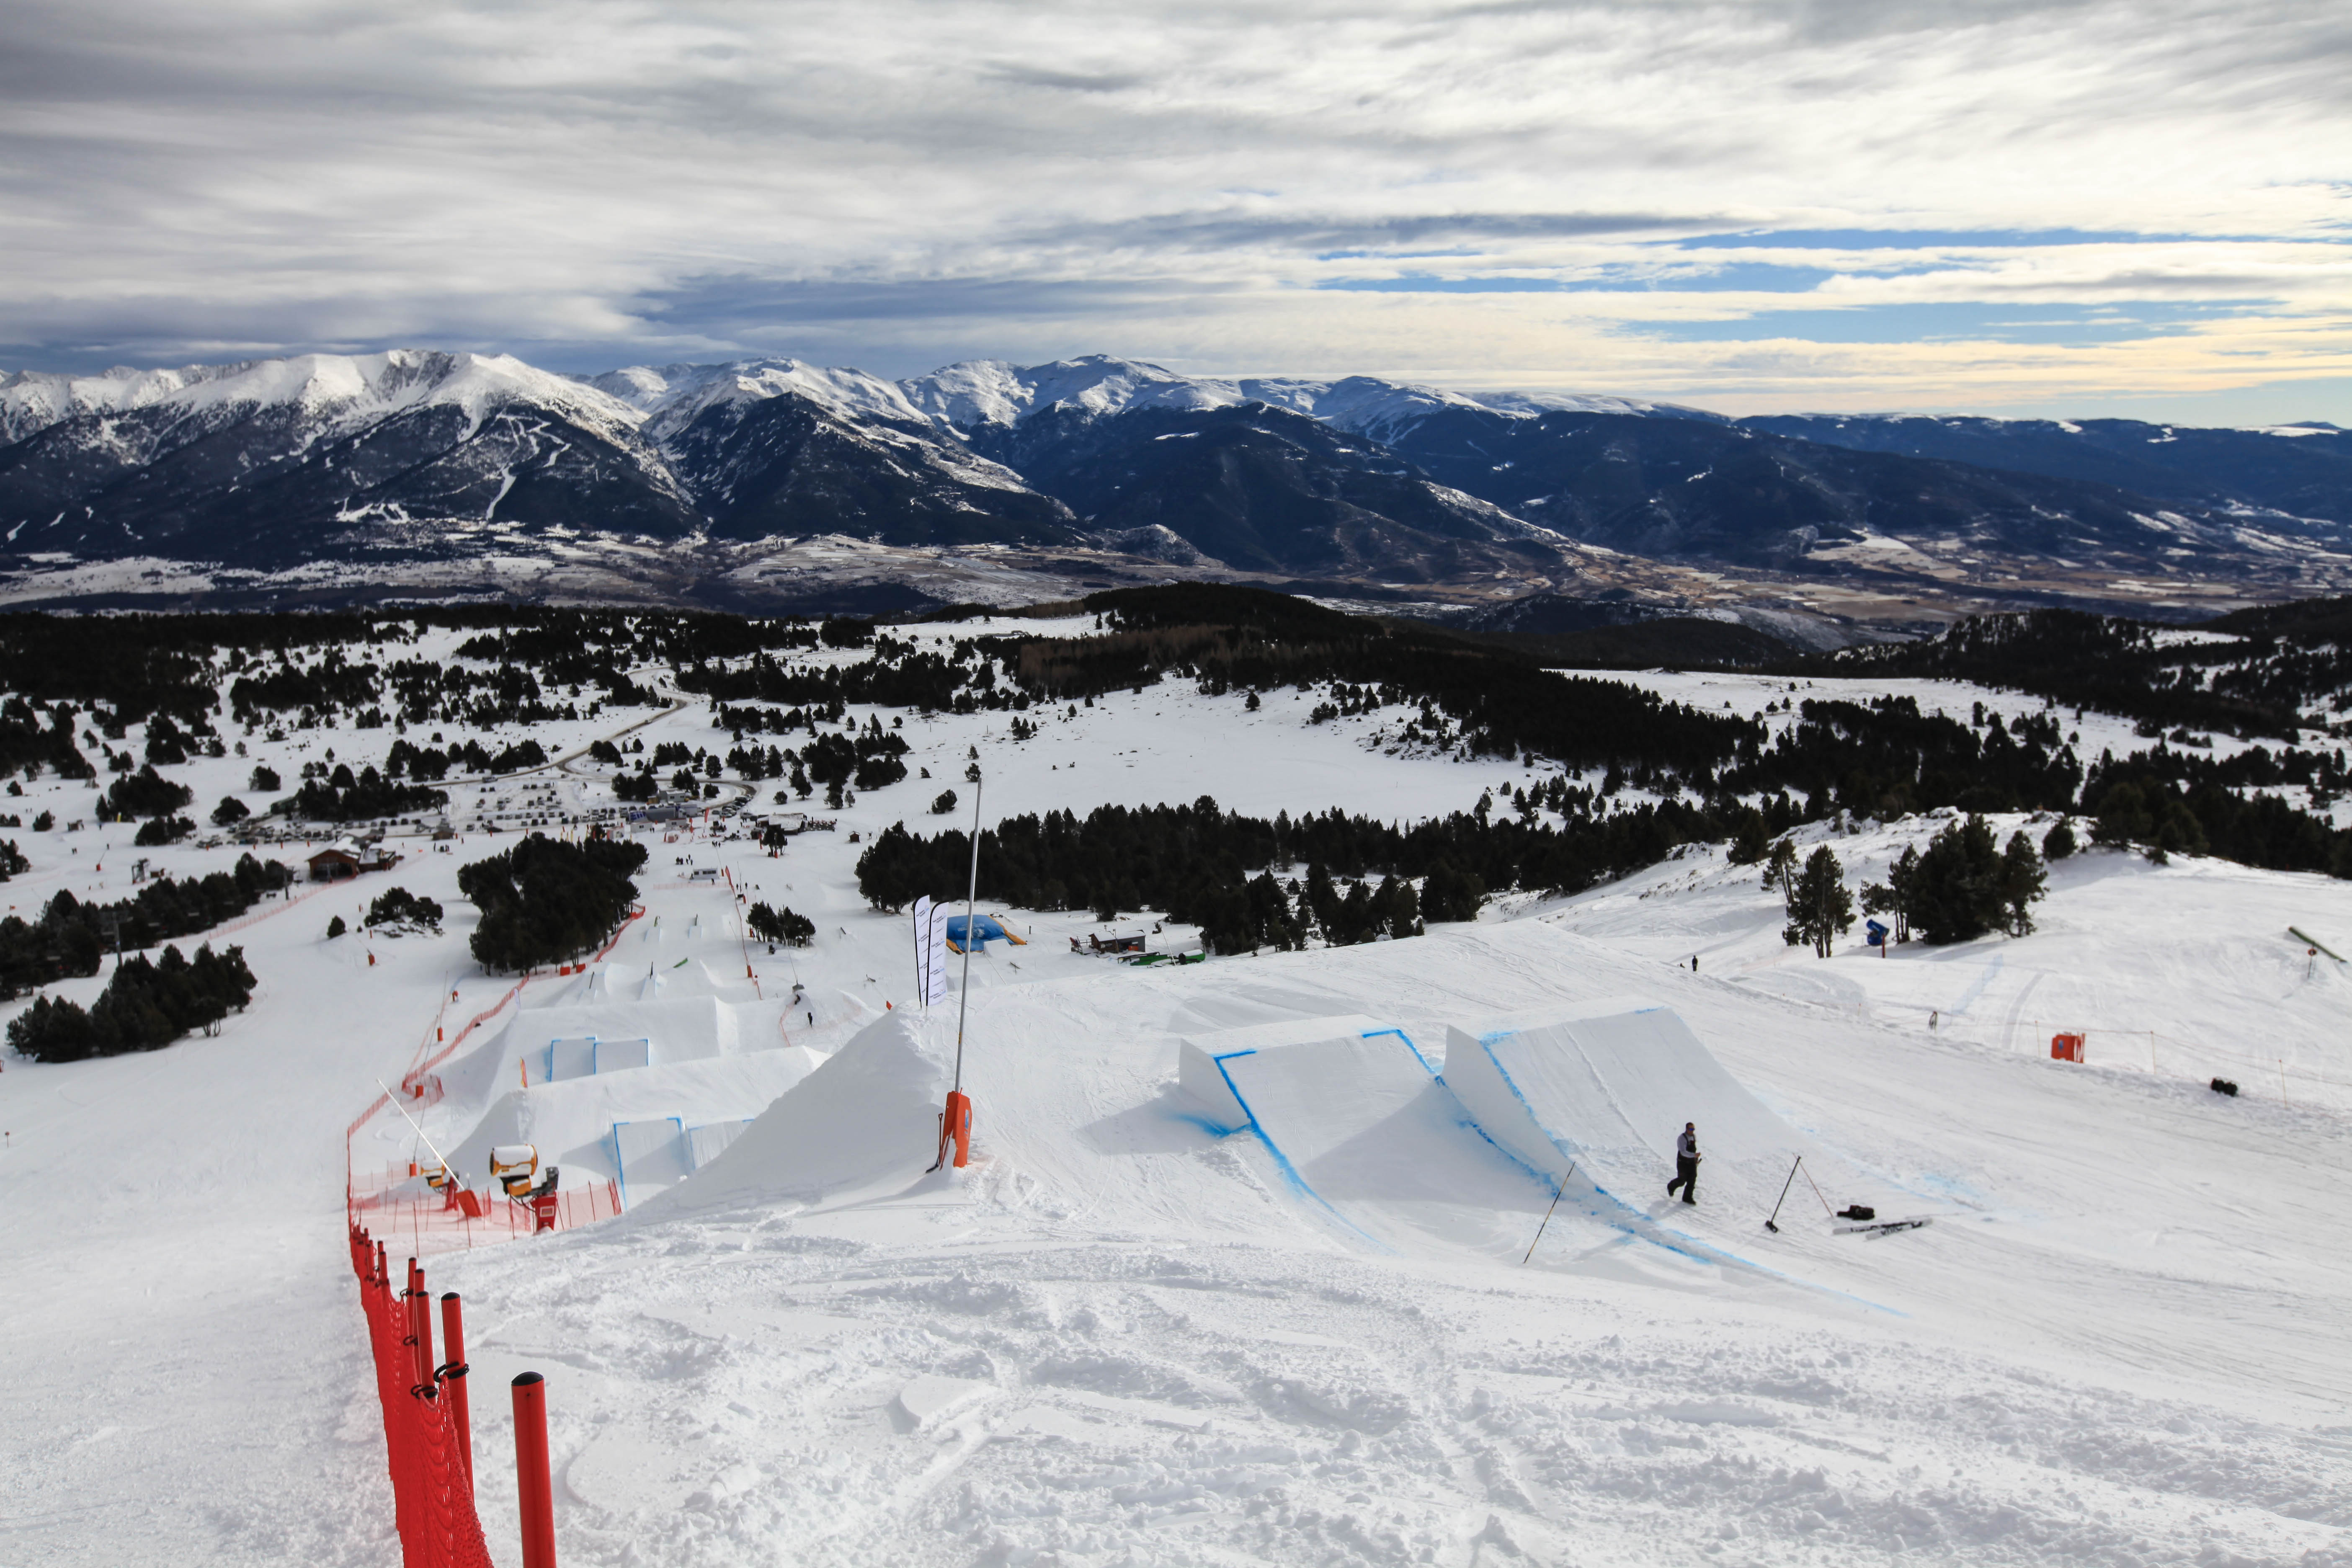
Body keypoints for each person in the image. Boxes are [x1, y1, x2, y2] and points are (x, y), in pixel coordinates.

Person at [1666, 1122, 1700, 1204]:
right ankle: (1671, 1186)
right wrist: (1694, 1155)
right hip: (1683, 1163)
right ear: (1687, 1129)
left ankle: (1687, 1198)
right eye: (1691, 1129)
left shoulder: (1693, 1137)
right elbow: (1683, 1152)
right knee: (1682, 1181)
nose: (1692, 1131)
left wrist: (1695, 1159)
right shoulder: (1682, 1138)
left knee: (1692, 1179)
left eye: (1693, 1129)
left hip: (1691, 1162)